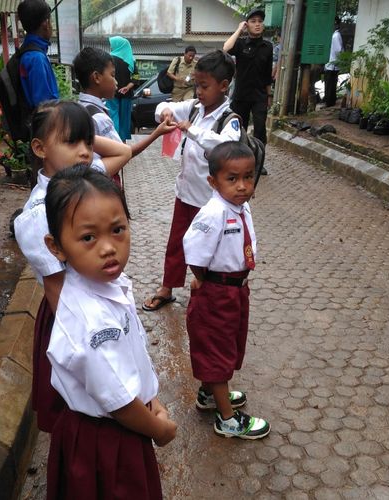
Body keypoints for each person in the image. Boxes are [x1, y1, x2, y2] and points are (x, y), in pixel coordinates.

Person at [43, 165, 177, 498]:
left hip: (129, 420)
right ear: (56, 247)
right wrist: (159, 429)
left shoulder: (110, 285)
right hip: (105, 439)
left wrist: (152, 397)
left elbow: (131, 358)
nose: (107, 247)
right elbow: (116, 401)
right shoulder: (89, 318)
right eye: (88, 237)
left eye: (117, 230)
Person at [13, 101, 132, 432]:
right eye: (71, 142)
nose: (84, 152)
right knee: (83, 404)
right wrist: (88, 352)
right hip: (74, 317)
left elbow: (123, 152)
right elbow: (56, 288)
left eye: (88, 143)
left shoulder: (84, 182)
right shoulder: (40, 214)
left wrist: (83, 131)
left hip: (100, 306)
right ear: (40, 148)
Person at [183, 141, 270, 439]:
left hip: (235, 291)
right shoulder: (213, 213)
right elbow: (194, 252)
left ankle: (210, 394)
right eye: (232, 179)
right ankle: (228, 419)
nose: (243, 185)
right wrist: (203, 280)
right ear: (213, 181)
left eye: (248, 176)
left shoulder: (240, 206)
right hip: (218, 293)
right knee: (217, 350)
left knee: (227, 344)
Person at [142, 50, 242, 312]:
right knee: (176, 244)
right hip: (185, 193)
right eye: (196, 84)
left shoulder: (228, 120)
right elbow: (164, 107)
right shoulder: (195, 109)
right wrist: (165, 113)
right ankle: (167, 288)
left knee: (205, 249)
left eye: (204, 86)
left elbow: (225, 146)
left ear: (223, 86)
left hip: (209, 203)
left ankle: (205, 292)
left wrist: (192, 130)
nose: (198, 91)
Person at [74, 47, 177, 156]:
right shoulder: (100, 118)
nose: (116, 82)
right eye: (112, 75)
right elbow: (124, 154)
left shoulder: (79, 107)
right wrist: (156, 133)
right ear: (96, 77)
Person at [223, 7, 273, 148]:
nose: (257, 24)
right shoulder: (240, 44)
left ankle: (258, 160)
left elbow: (267, 73)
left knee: (260, 129)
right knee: (239, 128)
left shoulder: (267, 47)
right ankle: (240, 158)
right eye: (253, 21)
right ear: (247, 24)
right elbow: (226, 48)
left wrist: (269, 95)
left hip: (260, 96)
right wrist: (239, 30)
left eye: (260, 21)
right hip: (241, 95)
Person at [17, 0, 58, 110]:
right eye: (51, 21)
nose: (52, 26)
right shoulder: (36, 58)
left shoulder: (26, 51)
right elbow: (44, 107)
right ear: (46, 23)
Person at [107, 36, 139, 141]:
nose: (111, 47)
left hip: (111, 92)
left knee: (113, 115)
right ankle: (123, 140)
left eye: (112, 45)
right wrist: (127, 87)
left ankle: (114, 140)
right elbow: (136, 77)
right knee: (125, 118)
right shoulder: (131, 60)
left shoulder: (109, 59)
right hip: (127, 93)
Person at [324, 17, 343, 108]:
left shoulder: (335, 36)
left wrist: (336, 62)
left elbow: (338, 50)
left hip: (332, 65)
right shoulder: (334, 35)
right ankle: (330, 101)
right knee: (330, 84)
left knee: (330, 85)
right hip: (331, 64)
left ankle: (329, 102)